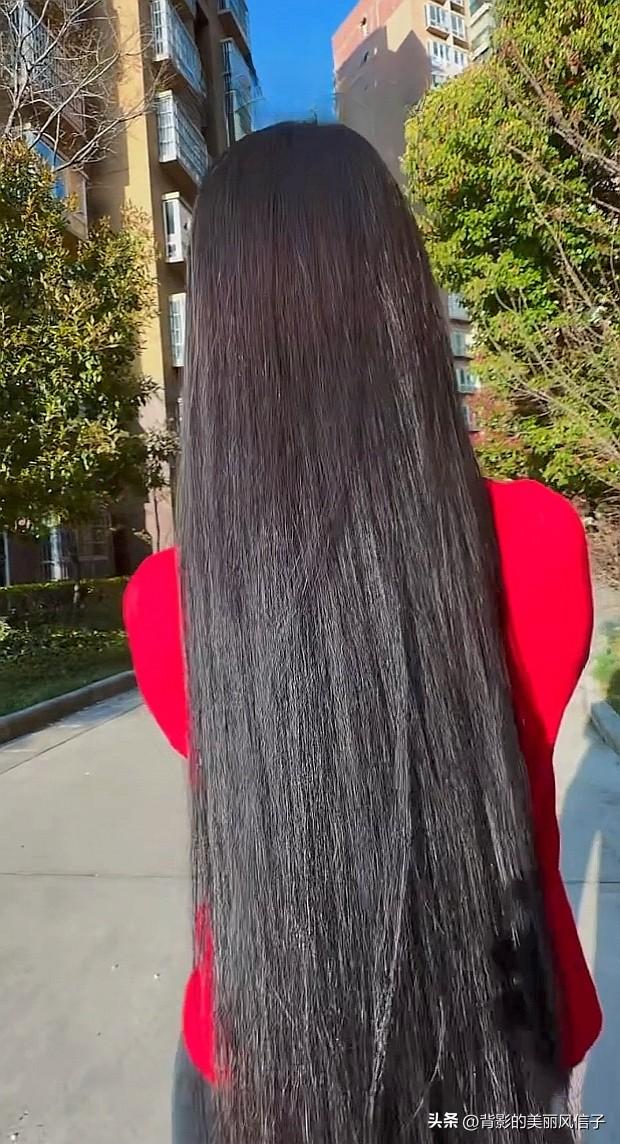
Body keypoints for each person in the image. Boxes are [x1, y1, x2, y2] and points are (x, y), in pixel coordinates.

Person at [123, 122, 602, 1143]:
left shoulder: (170, 599)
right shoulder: (539, 539)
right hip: (500, 1058)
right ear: (401, 303)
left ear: (221, 336)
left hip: (262, 1064)